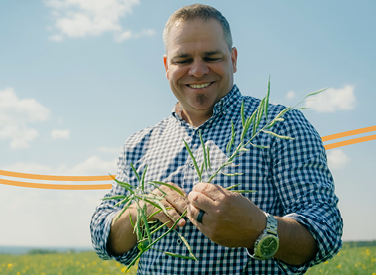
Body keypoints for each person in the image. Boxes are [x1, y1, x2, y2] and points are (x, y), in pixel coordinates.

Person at [91, 4, 342, 274]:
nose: (197, 71)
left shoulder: (281, 125)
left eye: (211, 57)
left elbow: (324, 232)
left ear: (233, 59)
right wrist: (140, 212)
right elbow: (102, 237)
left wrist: (259, 229)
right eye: (183, 60)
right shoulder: (140, 144)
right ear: (167, 66)